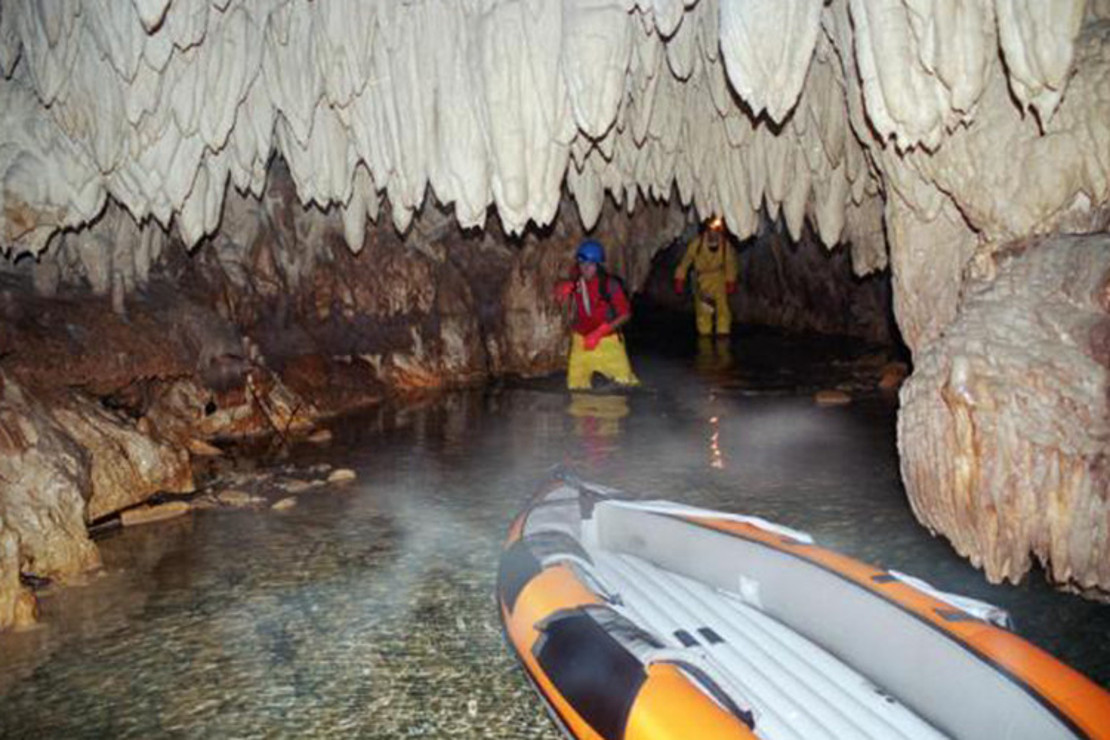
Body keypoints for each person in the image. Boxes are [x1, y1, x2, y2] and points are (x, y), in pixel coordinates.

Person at [553, 239, 640, 390]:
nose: (586, 268)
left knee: (624, 384)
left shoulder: (609, 285)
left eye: (590, 264)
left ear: (598, 265)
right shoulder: (576, 281)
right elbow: (558, 289)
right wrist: (561, 287)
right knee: (576, 388)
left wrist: (599, 333)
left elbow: (625, 314)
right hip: (582, 341)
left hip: (608, 341)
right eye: (582, 264)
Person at [673, 216, 739, 336]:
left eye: (716, 231)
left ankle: (723, 336)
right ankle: (705, 338)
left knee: (723, 311)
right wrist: (680, 278)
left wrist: (730, 280)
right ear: (706, 230)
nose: (714, 234)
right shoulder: (697, 244)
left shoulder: (725, 245)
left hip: (719, 279)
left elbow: (730, 263)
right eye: (711, 230)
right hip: (702, 280)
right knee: (704, 313)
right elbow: (686, 261)